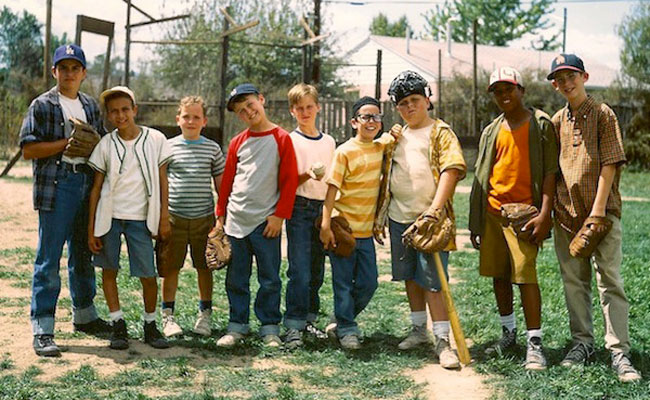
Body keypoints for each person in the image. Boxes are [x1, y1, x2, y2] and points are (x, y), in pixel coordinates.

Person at [547, 54, 641, 382]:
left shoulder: (602, 114)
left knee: (609, 280)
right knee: (574, 281)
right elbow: (553, 170)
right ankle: (582, 342)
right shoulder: (558, 120)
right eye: (559, 78)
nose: (567, 82)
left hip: (601, 215)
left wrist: (598, 212)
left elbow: (611, 163)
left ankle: (618, 350)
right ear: (554, 85)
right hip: (567, 215)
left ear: (584, 76)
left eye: (572, 75)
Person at [19, 44, 110, 357]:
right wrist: (65, 143)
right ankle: (43, 327)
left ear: (83, 73)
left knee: (83, 252)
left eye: (75, 68)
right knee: (49, 257)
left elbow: (102, 144)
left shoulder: (89, 105)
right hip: (58, 184)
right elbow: (28, 149)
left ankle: (84, 314)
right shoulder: (42, 105)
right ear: (54, 71)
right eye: (64, 67)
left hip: (86, 181)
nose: (69, 73)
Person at [469, 67, 557, 371]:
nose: (504, 95)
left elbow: (550, 172)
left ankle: (535, 342)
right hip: (494, 212)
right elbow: (483, 175)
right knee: (499, 275)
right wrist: (476, 222)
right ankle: (509, 333)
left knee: (525, 274)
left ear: (522, 90)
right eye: (498, 91)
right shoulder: (492, 129)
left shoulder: (540, 124)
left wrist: (545, 214)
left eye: (509, 89)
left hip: (524, 216)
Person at [377, 70, 466, 368]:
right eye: (402, 104)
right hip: (399, 218)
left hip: (431, 220)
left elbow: (451, 169)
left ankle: (442, 340)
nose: (409, 108)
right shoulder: (396, 137)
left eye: (414, 100)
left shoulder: (440, 132)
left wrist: (435, 209)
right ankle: (418, 330)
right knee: (410, 277)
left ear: (427, 100)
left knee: (433, 281)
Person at [87, 86, 172, 350]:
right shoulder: (106, 144)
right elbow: (97, 188)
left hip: (142, 218)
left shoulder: (155, 139)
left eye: (125, 109)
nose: (120, 115)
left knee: (148, 273)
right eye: (114, 111)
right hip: (110, 218)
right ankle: (118, 324)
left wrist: (164, 216)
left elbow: (162, 180)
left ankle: (150, 324)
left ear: (135, 110)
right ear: (108, 116)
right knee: (109, 270)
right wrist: (91, 229)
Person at [215, 83, 298, 348]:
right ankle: (237, 325)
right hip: (237, 221)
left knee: (270, 278)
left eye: (250, 104)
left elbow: (289, 181)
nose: (248, 112)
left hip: (265, 222)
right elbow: (227, 182)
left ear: (261, 100)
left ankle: (269, 327)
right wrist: (221, 215)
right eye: (241, 111)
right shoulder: (237, 142)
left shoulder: (281, 138)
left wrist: (279, 216)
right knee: (236, 278)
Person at [320, 96, 396, 350]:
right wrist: (325, 225)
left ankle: (341, 319)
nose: (372, 121)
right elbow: (331, 190)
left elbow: (393, 137)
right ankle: (348, 330)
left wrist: (394, 132)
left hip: (366, 234)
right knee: (342, 283)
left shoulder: (381, 147)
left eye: (376, 116)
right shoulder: (344, 152)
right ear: (354, 122)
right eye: (366, 117)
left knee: (369, 282)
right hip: (344, 231)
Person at [160, 96, 225, 338]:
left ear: (205, 121)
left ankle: (204, 316)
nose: (191, 121)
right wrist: (162, 216)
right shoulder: (167, 147)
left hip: (203, 220)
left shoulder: (212, 148)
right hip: (174, 218)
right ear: (178, 119)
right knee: (171, 268)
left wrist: (220, 219)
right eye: (186, 116)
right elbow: (162, 183)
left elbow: (220, 187)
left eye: (196, 117)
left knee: (204, 267)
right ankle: (168, 317)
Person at [283, 83, 336, 348]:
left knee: (317, 270)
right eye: (299, 108)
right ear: (293, 111)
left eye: (309, 107)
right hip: (299, 208)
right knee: (300, 270)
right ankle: (293, 325)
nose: (305, 112)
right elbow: (286, 182)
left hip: (322, 208)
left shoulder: (329, 142)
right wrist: (308, 175)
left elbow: (333, 182)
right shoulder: (290, 140)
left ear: (317, 107)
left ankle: (309, 320)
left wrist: (329, 214)